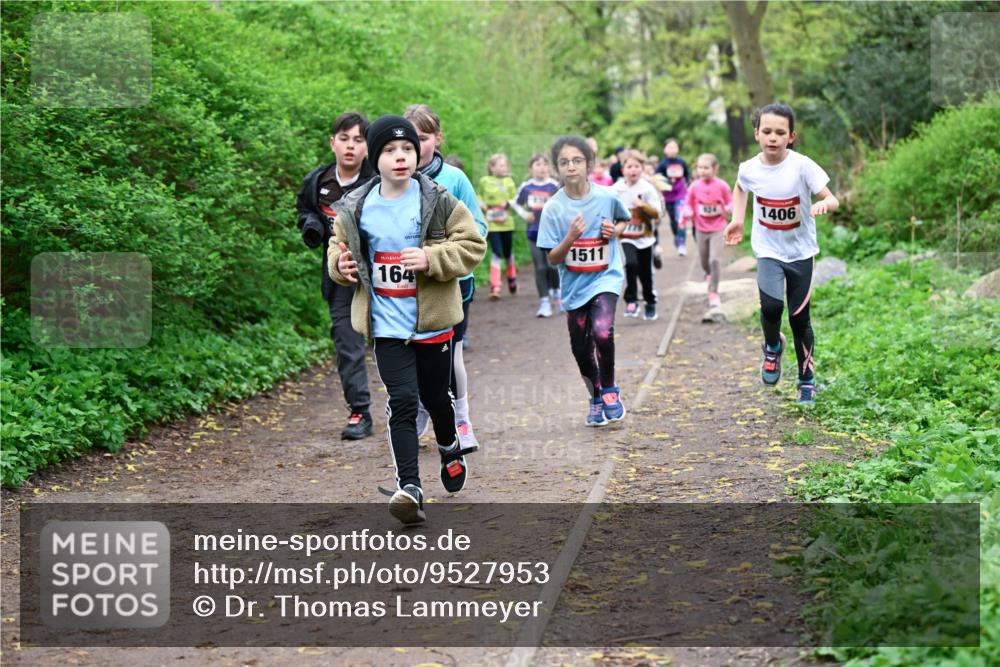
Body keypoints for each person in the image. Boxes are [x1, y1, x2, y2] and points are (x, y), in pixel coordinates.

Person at [328, 115, 486, 523]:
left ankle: (450, 446)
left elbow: (472, 244)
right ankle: (410, 488)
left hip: (432, 323)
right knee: (401, 402)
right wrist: (340, 265)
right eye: (389, 151)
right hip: (386, 326)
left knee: (436, 398)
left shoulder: (436, 200)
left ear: (417, 154)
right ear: (374, 158)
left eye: (407, 150)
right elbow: (337, 248)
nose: (400, 157)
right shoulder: (357, 206)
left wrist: (431, 259)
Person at [724, 103, 839, 406]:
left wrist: (825, 204)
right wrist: (738, 218)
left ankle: (806, 380)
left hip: (801, 252)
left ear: (791, 136)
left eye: (780, 132)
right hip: (768, 250)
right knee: (772, 307)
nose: (772, 137)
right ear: (756, 134)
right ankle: (772, 346)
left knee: (800, 319)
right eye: (767, 131)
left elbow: (832, 198)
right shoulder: (749, 168)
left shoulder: (802, 165)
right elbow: (740, 187)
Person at [404, 104, 487, 451]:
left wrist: (442, 255)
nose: (414, 145)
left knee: (450, 354)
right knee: (411, 354)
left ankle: (462, 418)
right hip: (405, 288)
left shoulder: (454, 179)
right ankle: (424, 407)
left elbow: (478, 230)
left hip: (452, 287)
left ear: (437, 139)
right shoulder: (391, 177)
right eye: (408, 138)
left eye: (422, 138)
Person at [537, 135, 631, 427]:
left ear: (589, 164)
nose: (571, 166)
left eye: (577, 160)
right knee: (581, 348)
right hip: (574, 286)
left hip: (606, 277)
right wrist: (570, 238)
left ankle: (611, 390)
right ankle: (595, 396)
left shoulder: (606, 197)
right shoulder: (553, 208)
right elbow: (552, 259)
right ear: (557, 169)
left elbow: (624, 221)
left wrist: (614, 231)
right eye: (564, 162)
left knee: (603, 332)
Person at [296, 112, 376, 441]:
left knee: (397, 342)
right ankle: (360, 411)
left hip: (383, 276)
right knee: (347, 342)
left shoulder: (377, 181)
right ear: (333, 143)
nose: (350, 147)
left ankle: (412, 409)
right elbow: (305, 210)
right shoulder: (318, 181)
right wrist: (312, 226)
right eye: (344, 139)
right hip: (340, 276)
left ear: (367, 147)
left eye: (358, 140)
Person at [612, 150, 663, 321]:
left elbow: (658, 213)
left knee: (645, 273)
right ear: (622, 170)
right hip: (625, 236)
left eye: (636, 166)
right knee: (630, 264)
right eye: (629, 166)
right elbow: (606, 207)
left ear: (642, 169)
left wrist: (642, 205)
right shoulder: (616, 189)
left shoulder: (647, 188)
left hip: (645, 237)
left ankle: (650, 302)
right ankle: (631, 301)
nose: (633, 170)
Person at [511, 154, 561, 317]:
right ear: (530, 168)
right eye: (538, 164)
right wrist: (525, 214)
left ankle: (559, 296)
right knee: (540, 267)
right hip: (534, 233)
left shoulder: (554, 186)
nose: (542, 167)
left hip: (553, 234)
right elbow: (515, 203)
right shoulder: (526, 187)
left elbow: (565, 205)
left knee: (553, 267)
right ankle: (544, 303)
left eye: (545, 164)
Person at [682, 153, 733, 308]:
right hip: (700, 228)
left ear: (715, 168)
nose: (702, 171)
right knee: (705, 261)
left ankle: (713, 292)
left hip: (719, 227)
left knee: (714, 260)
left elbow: (731, 202)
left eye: (706, 167)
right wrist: (688, 212)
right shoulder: (694, 186)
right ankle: (709, 274)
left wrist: (728, 209)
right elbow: (687, 204)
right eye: (699, 167)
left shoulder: (722, 185)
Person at [478, 153, 519, 300]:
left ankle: (512, 276)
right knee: (496, 252)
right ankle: (495, 286)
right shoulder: (484, 181)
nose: (504, 168)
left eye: (505, 165)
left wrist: (507, 204)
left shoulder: (509, 181)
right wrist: (482, 204)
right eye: (501, 165)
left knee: (507, 253)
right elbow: (479, 196)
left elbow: (516, 199)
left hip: (506, 222)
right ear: (492, 167)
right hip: (492, 224)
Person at [656, 138, 691, 256]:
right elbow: (657, 178)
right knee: (673, 221)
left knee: (680, 218)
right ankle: (677, 236)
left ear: (678, 149)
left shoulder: (681, 162)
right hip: (668, 196)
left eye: (674, 147)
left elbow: (687, 175)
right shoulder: (662, 165)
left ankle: (682, 244)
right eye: (669, 147)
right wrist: (666, 183)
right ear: (664, 150)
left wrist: (689, 187)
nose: (672, 149)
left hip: (680, 194)